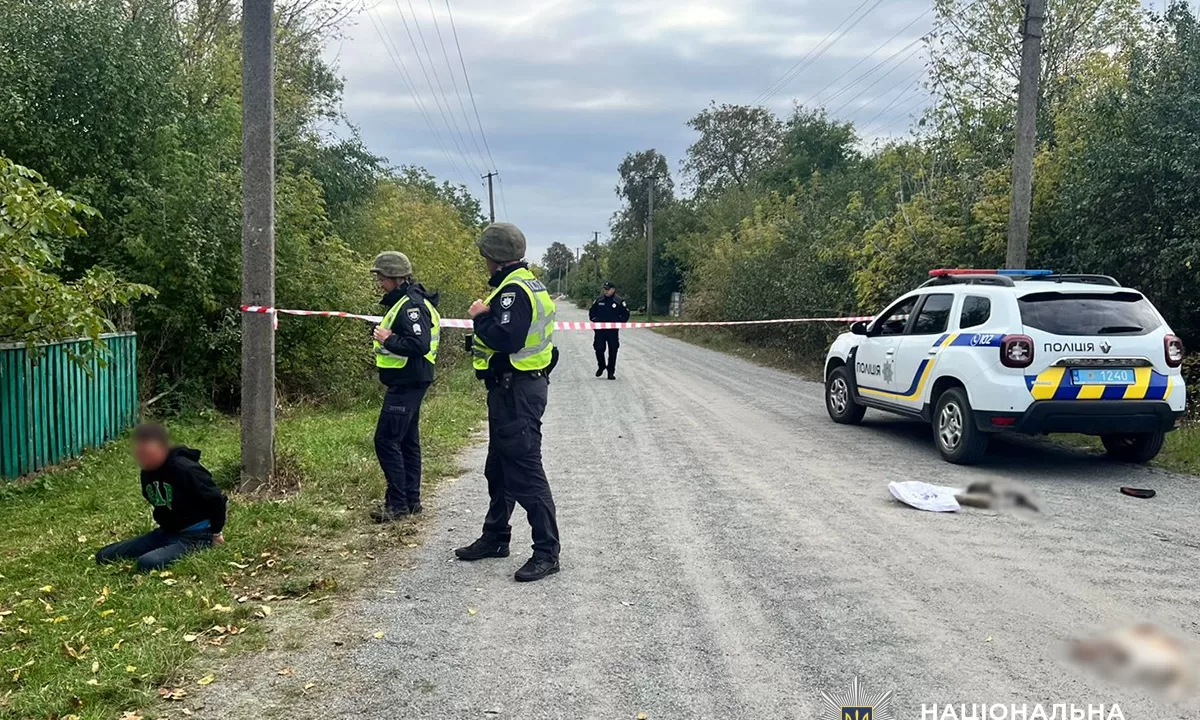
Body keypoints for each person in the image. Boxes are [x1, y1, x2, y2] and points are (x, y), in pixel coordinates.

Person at [456, 222, 561, 582]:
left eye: (484, 255)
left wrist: (479, 318)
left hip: (517, 391)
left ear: (492, 257)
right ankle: (495, 537)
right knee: (498, 469)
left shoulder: (512, 291)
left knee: (525, 471)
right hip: (511, 389)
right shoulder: (525, 284)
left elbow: (507, 339)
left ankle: (547, 552)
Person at [369, 251, 441, 523]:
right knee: (407, 442)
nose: (380, 283)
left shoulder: (411, 305)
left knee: (386, 440)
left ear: (397, 278)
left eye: (382, 278)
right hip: (408, 380)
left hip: (407, 381)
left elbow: (418, 345)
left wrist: (388, 340)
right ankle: (411, 501)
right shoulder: (405, 301)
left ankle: (397, 504)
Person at [95, 423, 226, 572]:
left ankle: (203, 545)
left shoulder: (186, 468)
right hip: (167, 531)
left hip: (196, 535)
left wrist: (216, 533)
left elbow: (216, 498)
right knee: (104, 555)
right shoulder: (148, 471)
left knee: (146, 563)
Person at [588, 280, 630, 379]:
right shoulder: (599, 300)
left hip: (612, 331)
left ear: (613, 290)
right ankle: (601, 366)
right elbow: (592, 313)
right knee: (599, 348)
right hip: (600, 331)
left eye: (607, 289)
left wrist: (619, 322)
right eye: (604, 289)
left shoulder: (618, 301)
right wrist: (595, 320)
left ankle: (611, 372)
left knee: (613, 350)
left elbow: (625, 314)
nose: (605, 291)